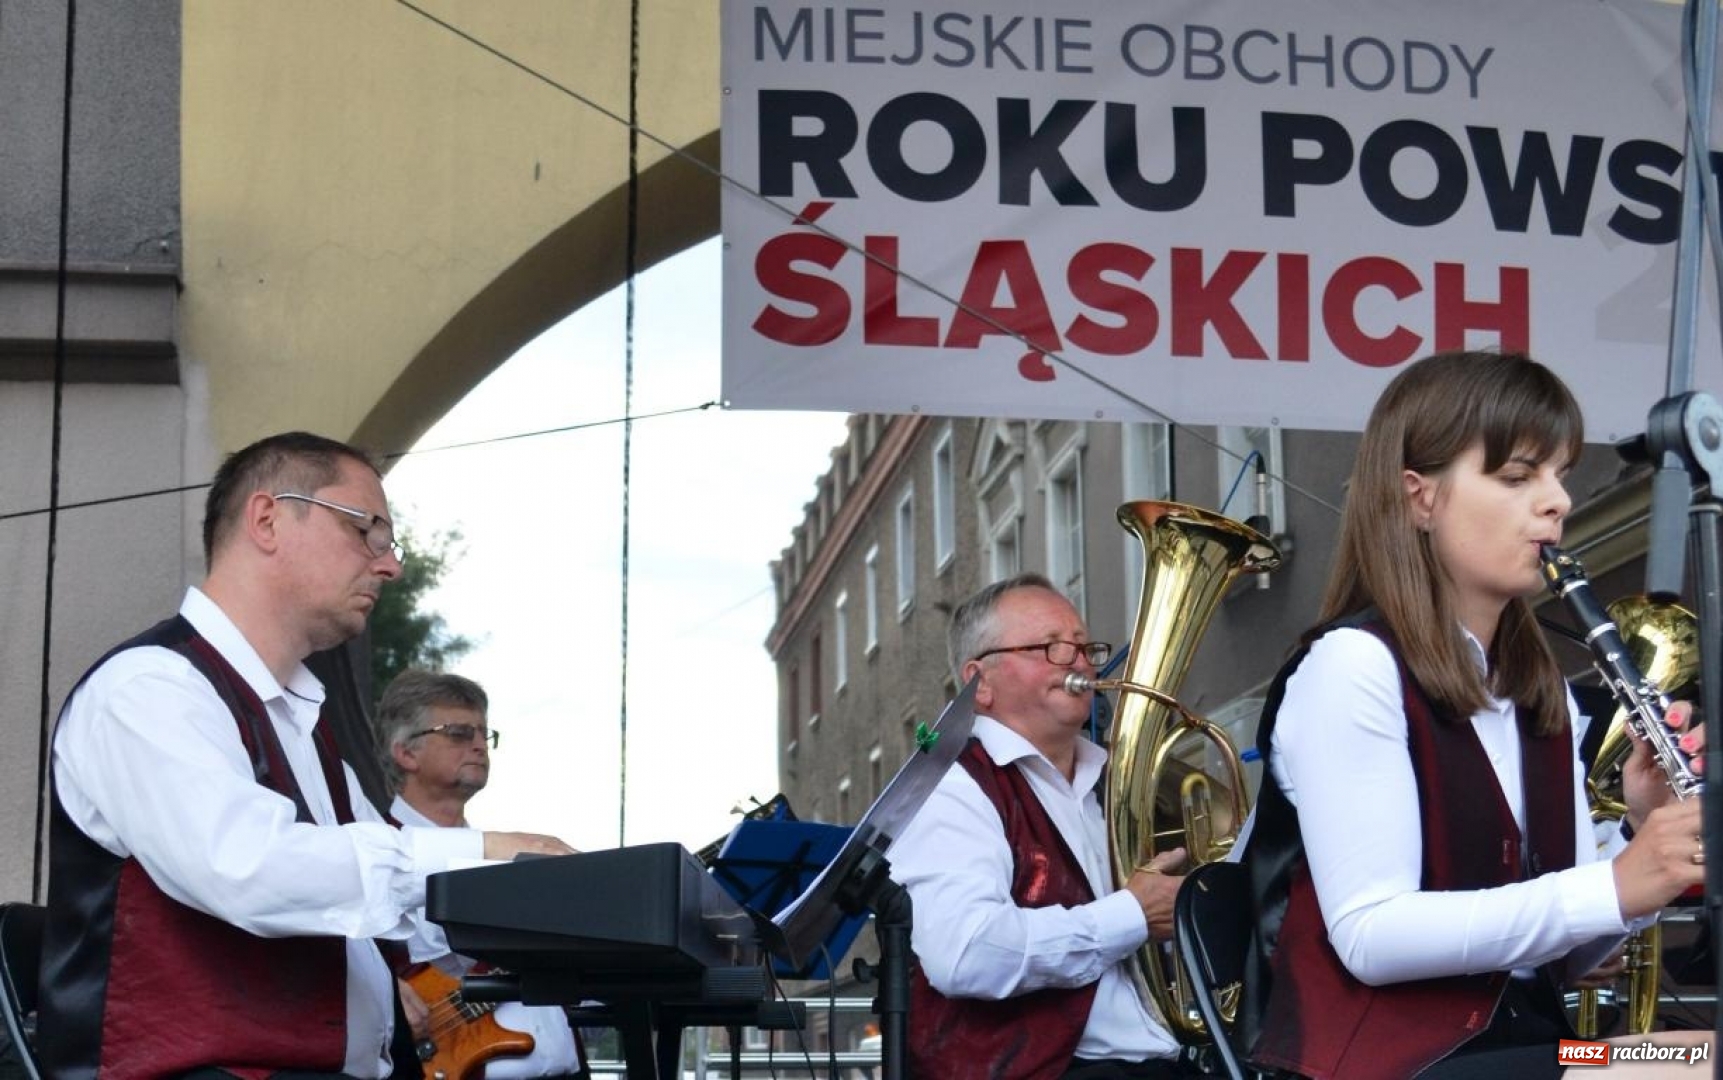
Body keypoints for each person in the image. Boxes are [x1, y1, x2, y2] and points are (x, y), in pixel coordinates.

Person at [41, 431, 574, 1080]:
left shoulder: (302, 729)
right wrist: (482, 848)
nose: (389, 565)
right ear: (267, 518)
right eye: (367, 531)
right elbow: (249, 869)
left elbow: (389, 896)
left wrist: (565, 905)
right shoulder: (149, 689)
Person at [1242, 351, 1708, 1079]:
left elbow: (1572, 953)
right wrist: (1612, 884)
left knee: (1693, 1062)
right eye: (1517, 476)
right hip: (1387, 1065)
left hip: (1521, 1049)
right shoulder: (1351, 668)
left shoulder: (1533, 690)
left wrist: (1643, 834)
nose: (1556, 501)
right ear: (1418, 498)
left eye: (1558, 474)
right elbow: (1371, 934)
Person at [889, 573, 1194, 1080]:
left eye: (1082, 645)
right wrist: (1131, 915)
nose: (1077, 660)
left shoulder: (1113, 786)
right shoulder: (952, 787)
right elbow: (965, 952)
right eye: (1047, 647)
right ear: (979, 681)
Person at [376, 669, 585, 1079]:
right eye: (457, 732)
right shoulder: (370, 854)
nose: (477, 745)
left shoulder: (507, 864)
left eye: (483, 733)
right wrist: (387, 996)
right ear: (405, 753)